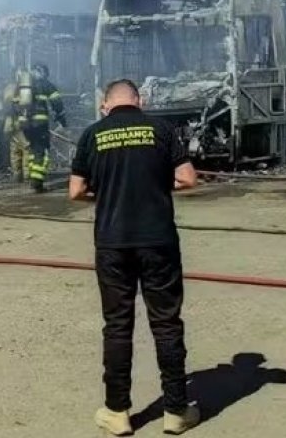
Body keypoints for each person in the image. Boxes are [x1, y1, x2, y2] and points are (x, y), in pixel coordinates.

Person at [68, 78, 201, 436]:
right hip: (158, 241)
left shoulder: (93, 134)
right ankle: (176, 412)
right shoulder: (161, 129)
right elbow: (188, 180)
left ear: (104, 104)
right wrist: (158, 185)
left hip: (113, 243)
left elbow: (76, 191)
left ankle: (117, 412)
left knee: (117, 325)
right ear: (139, 101)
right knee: (166, 322)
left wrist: (105, 195)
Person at [17, 62, 66, 193]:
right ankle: (37, 184)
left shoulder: (22, 86)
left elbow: (14, 105)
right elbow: (57, 104)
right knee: (41, 152)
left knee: (33, 151)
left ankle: (33, 178)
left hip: (25, 125)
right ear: (43, 72)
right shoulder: (45, 84)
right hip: (39, 125)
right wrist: (62, 121)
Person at [1, 71, 30, 183]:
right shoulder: (22, 89)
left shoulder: (8, 88)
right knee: (26, 148)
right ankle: (27, 176)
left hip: (10, 124)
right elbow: (23, 105)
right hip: (20, 123)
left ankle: (17, 175)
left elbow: (6, 104)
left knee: (15, 150)